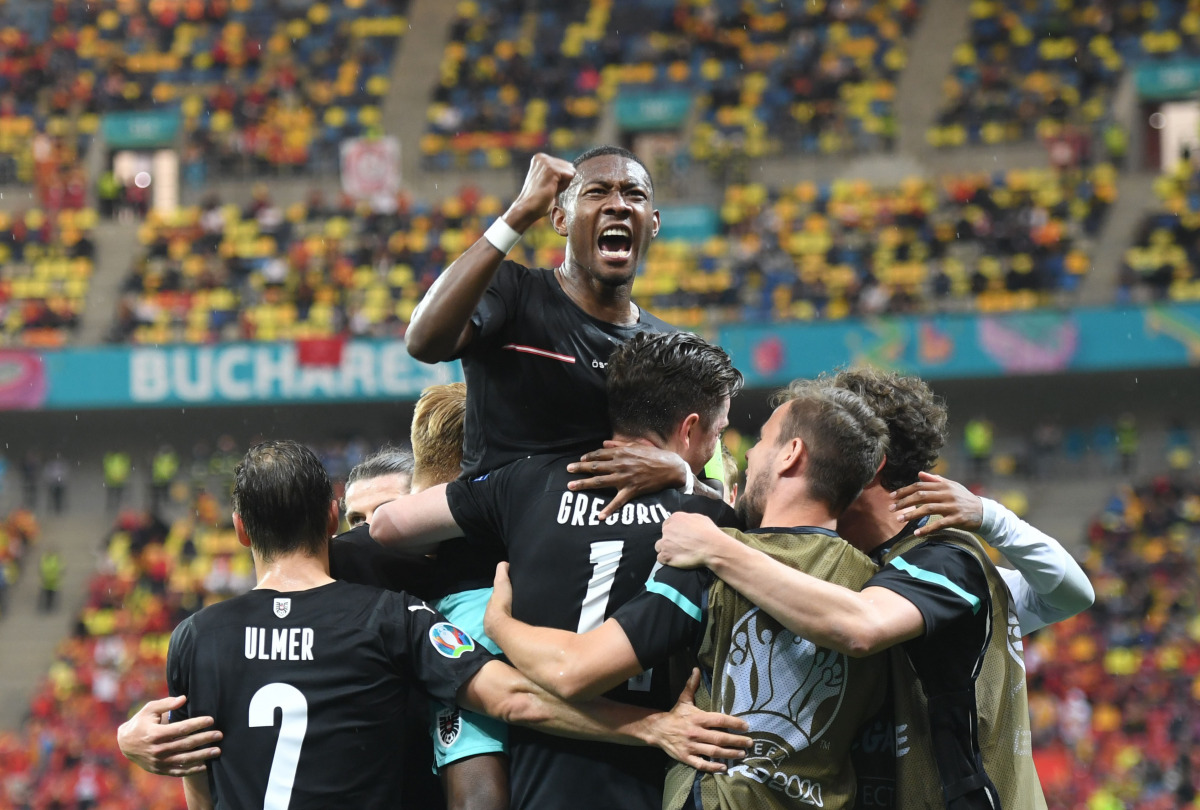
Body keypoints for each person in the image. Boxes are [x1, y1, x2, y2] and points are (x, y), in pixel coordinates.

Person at [158, 440, 750, 810]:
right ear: (333, 516)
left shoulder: (194, 638)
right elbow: (516, 699)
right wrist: (651, 728)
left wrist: (134, 740)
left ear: (239, 529)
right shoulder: (390, 619)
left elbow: (196, 782)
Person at [656, 368, 1094, 809]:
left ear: (865, 463)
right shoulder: (840, 562)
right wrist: (674, 478)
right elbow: (754, 513)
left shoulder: (945, 561)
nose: (755, 454)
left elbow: (859, 626)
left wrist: (990, 516)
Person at [372, 332, 745, 810]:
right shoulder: (706, 523)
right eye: (716, 435)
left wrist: (496, 619)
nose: (713, 447)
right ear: (690, 429)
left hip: (538, 786)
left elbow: (388, 526)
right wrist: (686, 477)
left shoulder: (527, 480)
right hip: (647, 785)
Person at [480, 381, 891, 810]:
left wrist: (500, 625)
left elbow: (576, 669)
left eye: (763, 439)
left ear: (790, 454)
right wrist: (683, 475)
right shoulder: (881, 587)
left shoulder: (707, 558)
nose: (748, 453)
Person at [404, 147, 686, 487]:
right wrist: (520, 212)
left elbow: (712, 484)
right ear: (560, 219)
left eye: (634, 194)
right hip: (502, 536)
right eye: (596, 192)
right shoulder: (512, 293)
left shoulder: (670, 349)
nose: (618, 205)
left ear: (653, 223)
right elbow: (424, 342)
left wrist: (682, 475)